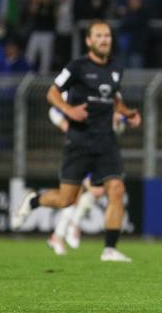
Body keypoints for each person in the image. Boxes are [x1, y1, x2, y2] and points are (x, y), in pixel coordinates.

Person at [10, 20, 142, 262]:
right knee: (66, 199)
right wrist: (68, 111)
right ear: (89, 41)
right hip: (79, 140)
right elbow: (52, 92)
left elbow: (114, 100)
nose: (105, 40)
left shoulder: (116, 69)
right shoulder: (77, 67)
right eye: (99, 36)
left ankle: (109, 249)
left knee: (116, 189)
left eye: (107, 36)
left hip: (106, 141)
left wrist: (128, 113)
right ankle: (33, 200)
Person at [45, 92, 120, 256]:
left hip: (99, 150)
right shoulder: (76, 90)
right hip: (80, 150)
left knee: (94, 192)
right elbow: (55, 112)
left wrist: (116, 122)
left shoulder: (110, 95)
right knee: (79, 194)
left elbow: (118, 127)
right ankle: (66, 230)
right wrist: (67, 125)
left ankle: (61, 233)